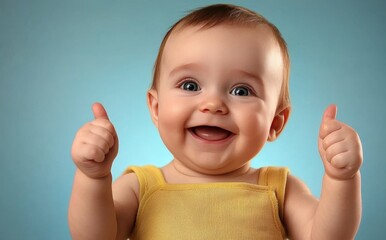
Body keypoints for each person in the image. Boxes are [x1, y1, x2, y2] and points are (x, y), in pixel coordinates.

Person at [69, 4, 363, 240]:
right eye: (190, 85)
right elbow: (94, 236)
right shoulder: (140, 186)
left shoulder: (280, 189)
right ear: (156, 108)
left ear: (275, 122)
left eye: (241, 91)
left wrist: (341, 180)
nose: (213, 104)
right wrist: (93, 178)